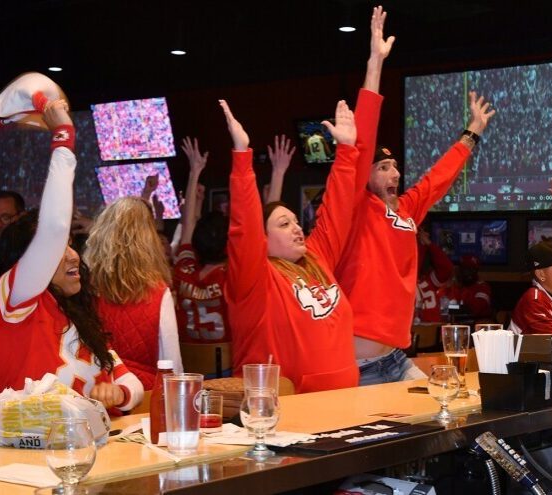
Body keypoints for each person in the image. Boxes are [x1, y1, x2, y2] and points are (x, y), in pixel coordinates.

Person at [334, 6, 496, 384]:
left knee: (449, 418)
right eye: (383, 168)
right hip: (361, 369)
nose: (395, 173)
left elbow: (437, 178)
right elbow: (362, 141)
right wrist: (375, 63)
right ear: (365, 176)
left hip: (396, 359)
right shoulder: (356, 208)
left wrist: (472, 131)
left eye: (395, 167)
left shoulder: (405, 210)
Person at [0, 99, 143, 412]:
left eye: (70, 245)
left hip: (82, 450)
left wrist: (119, 394)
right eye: (57, 248)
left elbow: (131, 383)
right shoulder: (11, 300)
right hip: (18, 456)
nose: (72, 256)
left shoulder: (75, 316)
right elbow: (52, 226)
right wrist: (63, 138)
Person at [220, 97, 360, 393]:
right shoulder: (255, 282)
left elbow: (337, 210)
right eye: (284, 224)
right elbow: (244, 228)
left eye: (296, 221)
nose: (297, 228)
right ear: (263, 241)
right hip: (285, 414)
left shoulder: (316, 258)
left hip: (344, 404)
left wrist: (347, 151)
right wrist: (242, 156)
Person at [84, 197, 183, 390]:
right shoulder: (159, 292)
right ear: (149, 240)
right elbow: (172, 364)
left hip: (99, 389)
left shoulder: (86, 287)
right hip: (143, 396)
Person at [173, 137, 231, 345]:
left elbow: (187, 225)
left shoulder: (184, 271)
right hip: (226, 369)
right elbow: (190, 226)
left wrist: (194, 172)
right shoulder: (231, 278)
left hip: (192, 367)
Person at [415, 225, 455, 323]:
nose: (427, 235)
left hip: (432, 334)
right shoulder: (398, 280)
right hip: (409, 334)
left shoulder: (428, 279)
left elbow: (446, 268)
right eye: (421, 233)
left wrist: (429, 244)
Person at [445, 255, 493, 320]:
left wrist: (462, 289)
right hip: (455, 323)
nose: (467, 272)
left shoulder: (483, 287)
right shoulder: (453, 286)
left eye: (471, 269)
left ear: (476, 271)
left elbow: (476, 310)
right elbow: (445, 308)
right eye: (465, 269)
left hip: (478, 325)